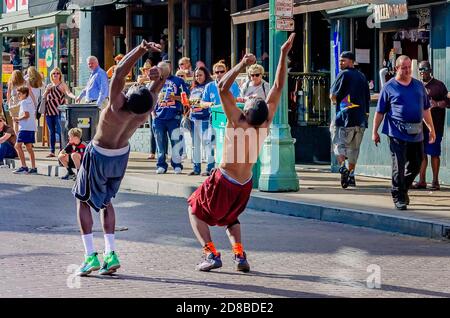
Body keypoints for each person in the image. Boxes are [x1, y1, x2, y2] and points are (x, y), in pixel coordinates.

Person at [187, 33, 296, 273]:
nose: (244, 100)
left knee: (194, 209)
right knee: (231, 218)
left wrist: (242, 64)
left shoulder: (237, 122)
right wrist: (283, 54)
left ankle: (211, 253)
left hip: (224, 179)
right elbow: (277, 86)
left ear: (245, 111)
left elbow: (221, 86)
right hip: (245, 183)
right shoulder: (264, 124)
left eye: (245, 102)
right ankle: (239, 255)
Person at [72, 40, 166, 276]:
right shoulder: (145, 109)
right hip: (121, 156)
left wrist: (141, 49)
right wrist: (159, 71)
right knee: (106, 201)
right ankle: (111, 252)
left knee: (82, 200)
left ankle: (90, 256)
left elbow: (121, 72)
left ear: (126, 97)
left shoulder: (116, 106)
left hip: (100, 153)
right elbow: (165, 74)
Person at [372, 55, 436, 210]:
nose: (407, 70)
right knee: (398, 165)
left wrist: (431, 129)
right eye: (403, 68)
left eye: (409, 67)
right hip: (396, 132)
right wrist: (375, 131)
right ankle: (398, 196)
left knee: (417, 162)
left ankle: (402, 188)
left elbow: (425, 109)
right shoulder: (389, 87)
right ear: (396, 69)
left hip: (416, 132)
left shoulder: (418, 86)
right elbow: (380, 112)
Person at [330, 51, 370, 188]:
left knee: (339, 145)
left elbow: (333, 96)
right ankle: (351, 176)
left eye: (344, 60)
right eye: (340, 61)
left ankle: (343, 167)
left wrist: (335, 101)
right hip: (360, 119)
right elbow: (367, 98)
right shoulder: (362, 76)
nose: (341, 63)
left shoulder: (343, 74)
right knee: (354, 149)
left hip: (344, 118)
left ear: (352, 62)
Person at [412, 61, 449, 191]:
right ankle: (422, 181)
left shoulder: (439, 85)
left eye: (425, 69)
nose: (422, 72)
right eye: (421, 69)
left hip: (435, 126)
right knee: (421, 154)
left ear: (430, 70)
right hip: (418, 127)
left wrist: (437, 104)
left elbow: (448, 102)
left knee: (434, 154)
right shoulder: (416, 85)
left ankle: (435, 181)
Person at [153, 61, 190, 174]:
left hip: (174, 116)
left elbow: (186, 98)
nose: (160, 72)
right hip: (158, 117)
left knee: (176, 142)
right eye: (159, 69)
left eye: (162, 69)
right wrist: (152, 113)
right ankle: (161, 165)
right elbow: (150, 97)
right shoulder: (155, 82)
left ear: (168, 69)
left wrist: (175, 97)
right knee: (160, 143)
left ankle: (177, 164)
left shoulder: (178, 81)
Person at [43, 67, 77, 158]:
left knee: (60, 131)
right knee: (51, 132)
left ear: (60, 75)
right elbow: (43, 97)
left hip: (59, 111)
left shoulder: (62, 85)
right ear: (51, 75)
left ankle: (63, 150)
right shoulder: (49, 85)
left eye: (57, 73)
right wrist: (46, 91)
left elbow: (68, 93)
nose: (55, 75)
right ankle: (52, 151)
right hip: (49, 112)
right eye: (54, 73)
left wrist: (75, 97)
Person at [188, 66, 214, 176]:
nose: (198, 77)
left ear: (205, 75)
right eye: (196, 75)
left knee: (207, 144)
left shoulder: (208, 87)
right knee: (195, 145)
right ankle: (196, 168)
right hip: (194, 119)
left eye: (200, 75)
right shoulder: (193, 88)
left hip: (205, 118)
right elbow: (191, 103)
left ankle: (209, 167)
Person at [12, 86, 37, 174]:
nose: (18, 95)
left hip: (25, 128)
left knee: (17, 146)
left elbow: (26, 115)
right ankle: (33, 168)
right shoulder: (30, 102)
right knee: (29, 148)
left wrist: (17, 119)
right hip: (31, 127)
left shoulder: (23, 102)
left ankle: (24, 167)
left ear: (25, 94)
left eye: (19, 94)